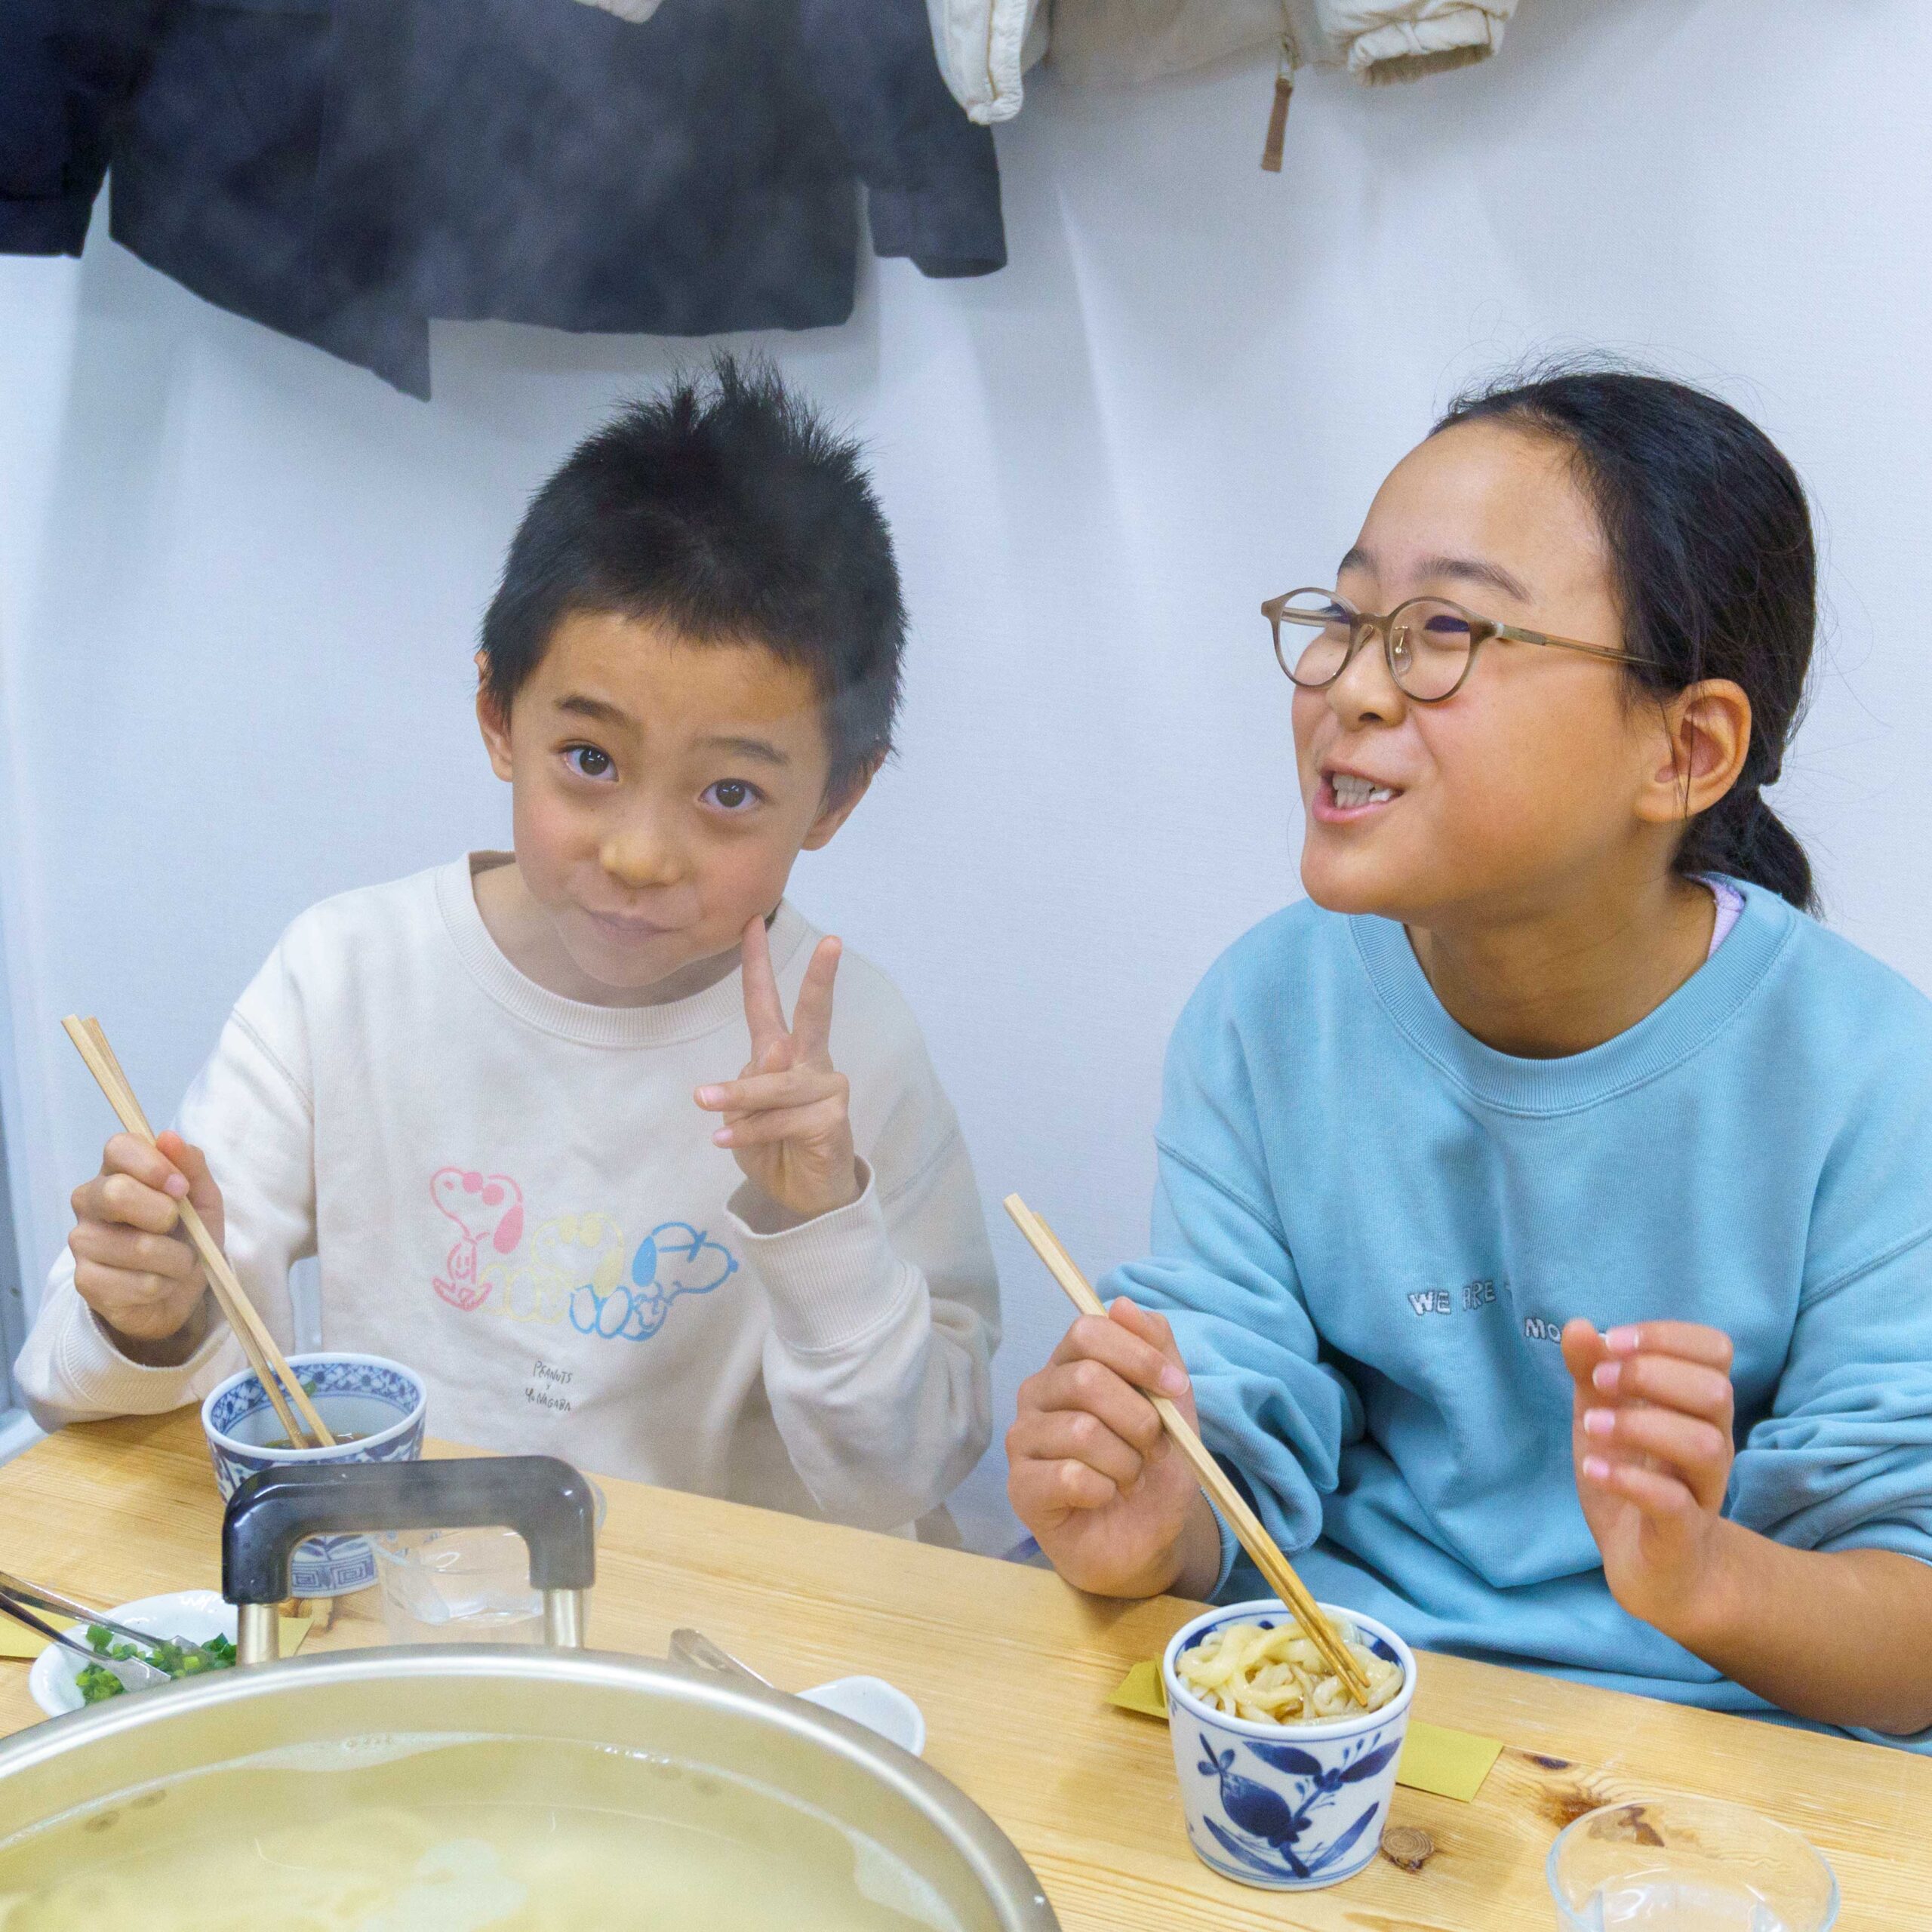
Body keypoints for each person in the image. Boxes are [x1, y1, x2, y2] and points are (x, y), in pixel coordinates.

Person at [1008, 368, 1932, 1746]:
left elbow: (1912, 1638)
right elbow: (1226, 1453)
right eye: (1345, 618)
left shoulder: (1871, 1077)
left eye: (1442, 631)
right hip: (1334, 1699)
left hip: (1699, 1761)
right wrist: (1152, 1519)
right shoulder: (1270, 1011)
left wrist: (1704, 1575)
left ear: (1686, 750)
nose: (1348, 688)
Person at [17, 355, 998, 1536]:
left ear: (837, 796)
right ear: (498, 715)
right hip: (405, 1591)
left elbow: (904, 1481)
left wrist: (822, 1223)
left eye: (729, 793)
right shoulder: (347, 979)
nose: (640, 854)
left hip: (715, 1622)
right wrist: (153, 1312)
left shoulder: (850, 1056)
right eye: (591, 761)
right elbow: (85, 1385)